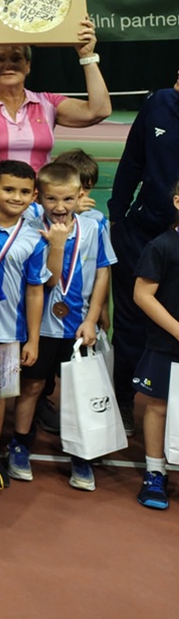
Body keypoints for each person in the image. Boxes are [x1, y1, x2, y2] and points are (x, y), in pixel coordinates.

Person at [7, 161, 110, 490]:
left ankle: (81, 454)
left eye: (67, 199)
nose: (60, 206)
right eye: (51, 199)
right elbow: (48, 282)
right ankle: (20, 444)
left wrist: (92, 319)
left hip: (79, 327)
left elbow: (103, 273)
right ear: (39, 198)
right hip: (41, 327)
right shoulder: (30, 229)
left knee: (79, 389)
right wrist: (58, 244)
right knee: (32, 386)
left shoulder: (94, 227)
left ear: (80, 196)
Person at [0, 18, 111, 188]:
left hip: (35, 202)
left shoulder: (46, 103)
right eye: (0, 59)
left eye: (16, 59)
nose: (8, 65)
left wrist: (87, 55)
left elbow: (99, 110)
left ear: (28, 66)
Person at [108, 69, 179, 432]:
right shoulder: (158, 103)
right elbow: (132, 160)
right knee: (131, 321)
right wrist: (117, 216)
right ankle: (123, 399)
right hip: (142, 233)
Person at [0, 159, 48, 483]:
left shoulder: (34, 239)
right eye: (9, 190)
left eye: (24, 192)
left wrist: (33, 339)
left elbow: (35, 291)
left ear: (34, 196)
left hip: (9, 330)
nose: (16, 197)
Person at [130, 178, 179, 510]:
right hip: (166, 344)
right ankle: (154, 471)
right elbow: (142, 295)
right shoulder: (162, 246)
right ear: (177, 202)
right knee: (158, 406)